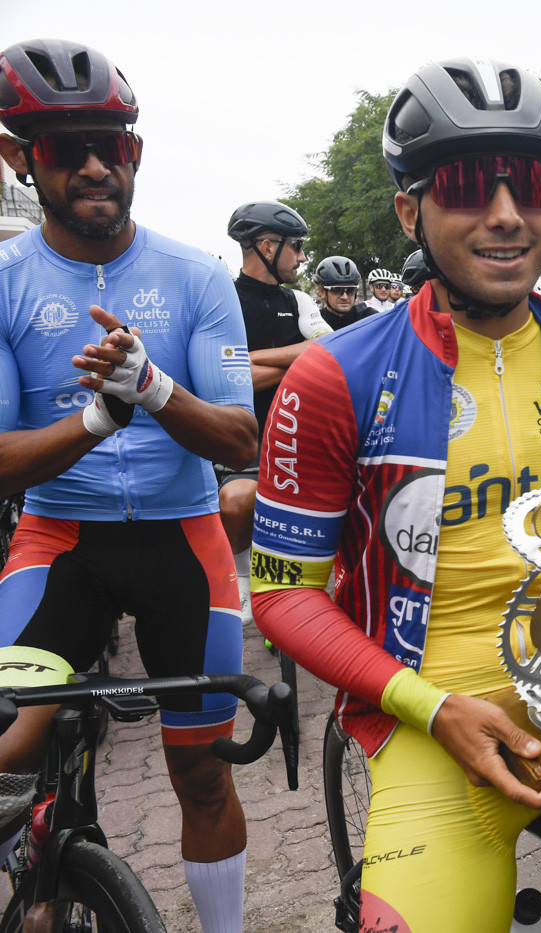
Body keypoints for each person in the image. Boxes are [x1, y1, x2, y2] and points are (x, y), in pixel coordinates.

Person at [250, 55, 541, 933]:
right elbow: (283, 593)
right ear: (412, 208)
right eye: (471, 186)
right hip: (421, 710)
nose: (507, 215)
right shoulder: (335, 377)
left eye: (533, 186)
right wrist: (430, 706)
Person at [0, 38, 257, 933]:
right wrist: (93, 423)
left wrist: (151, 389)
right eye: (66, 148)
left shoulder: (194, 276)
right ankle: (33, 874)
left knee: (201, 768)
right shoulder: (4, 282)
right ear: (18, 156)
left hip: (181, 538)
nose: (96, 165)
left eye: (113, 143)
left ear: (138, 152)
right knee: (8, 745)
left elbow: (238, 433)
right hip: (60, 540)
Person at [224, 201, 333, 619]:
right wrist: (296, 358)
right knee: (236, 502)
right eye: (297, 247)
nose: (303, 257)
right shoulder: (224, 298)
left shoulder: (300, 299)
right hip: (245, 437)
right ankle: (243, 581)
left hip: (297, 432)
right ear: (267, 246)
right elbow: (228, 380)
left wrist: (251, 360)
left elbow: (324, 351)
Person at [315, 256, 376, 332]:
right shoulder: (314, 322)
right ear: (322, 291)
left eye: (350, 290)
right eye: (336, 290)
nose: (345, 297)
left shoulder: (369, 317)